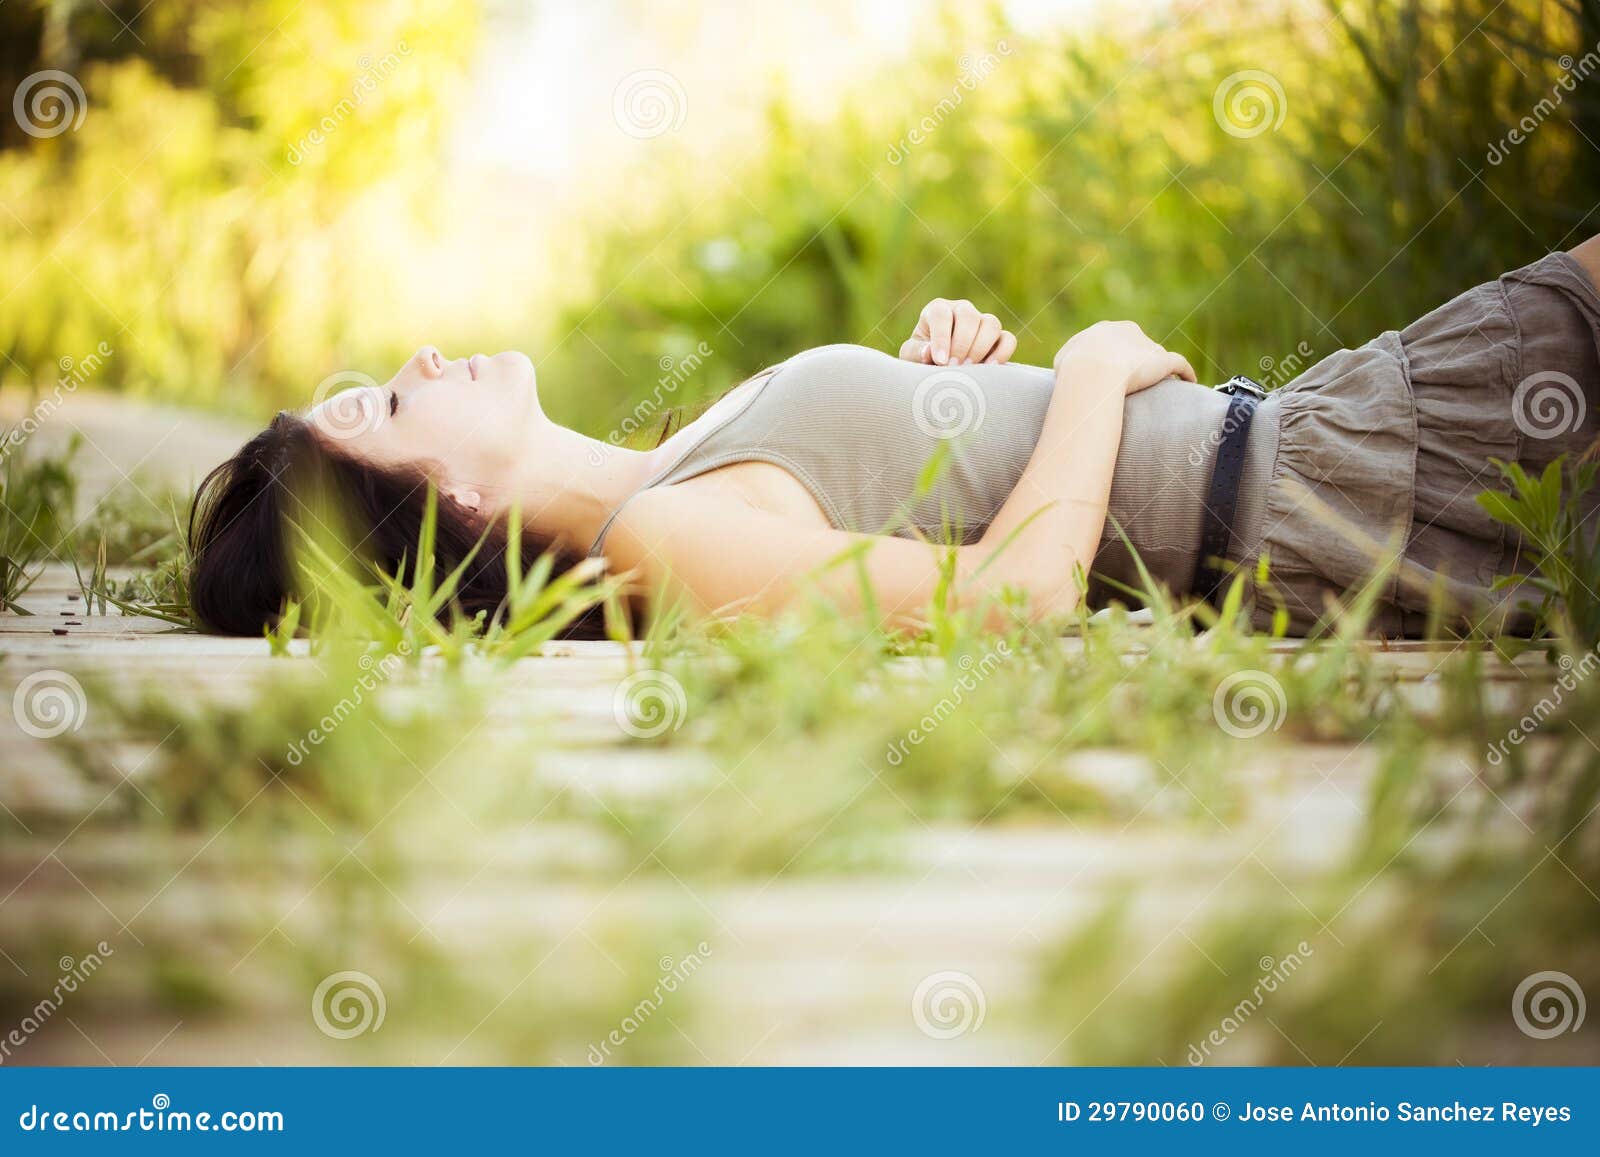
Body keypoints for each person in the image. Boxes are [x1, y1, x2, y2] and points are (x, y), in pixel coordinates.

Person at [189, 238, 1600, 639]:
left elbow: (938, 523)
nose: (418, 359)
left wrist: (951, 394)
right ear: (442, 505)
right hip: (1352, 493)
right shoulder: (652, 536)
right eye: (381, 399)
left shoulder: (668, 473)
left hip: (1336, 435)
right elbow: (1016, 599)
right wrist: (1094, 375)